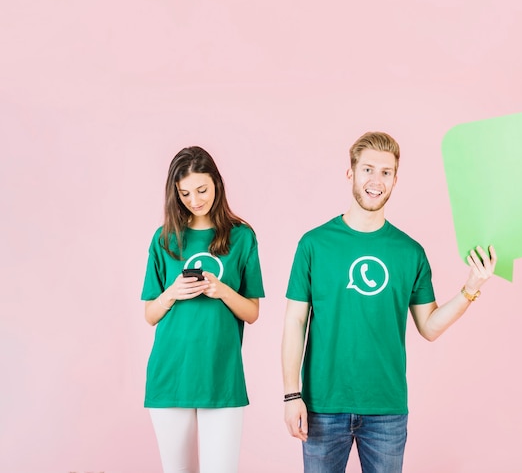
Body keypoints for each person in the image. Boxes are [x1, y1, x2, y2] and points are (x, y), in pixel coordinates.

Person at [281, 131, 497, 473]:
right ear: (350, 173)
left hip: (386, 411)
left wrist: (471, 287)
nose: (376, 180)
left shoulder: (410, 253)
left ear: (396, 179)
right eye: (368, 169)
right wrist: (292, 395)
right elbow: (295, 321)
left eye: (385, 172)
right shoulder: (314, 244)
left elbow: (429, 326)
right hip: (322, 405)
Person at [142, 146, 264, 473]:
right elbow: (150, 314)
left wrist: (221, 290)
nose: (195, 200)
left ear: (216, 185)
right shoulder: (165, 239)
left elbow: (252, 312)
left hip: (220, 375)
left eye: (202, 190)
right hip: (170, 375)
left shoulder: (242, 237)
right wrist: (172, 293)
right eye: (184, 193)